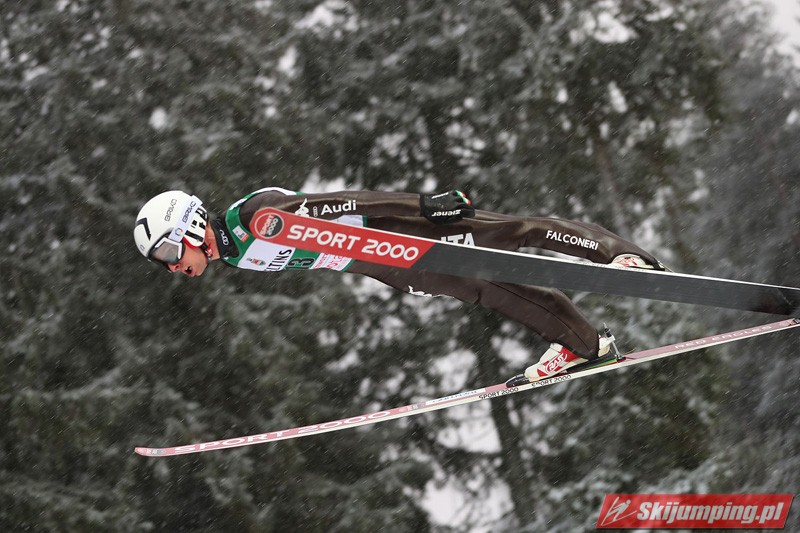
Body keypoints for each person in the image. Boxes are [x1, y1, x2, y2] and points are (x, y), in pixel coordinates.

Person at [133, 187, 666, 382]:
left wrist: (423, 207)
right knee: (490, 288)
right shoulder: (233, 253)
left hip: (394, 230)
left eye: (168, 252)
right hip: (382, 262)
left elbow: (347, 204)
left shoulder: (255, 218)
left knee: (510, 232)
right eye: (163, 263)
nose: (173, 266)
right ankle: (582, 344)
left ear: (189, 227)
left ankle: (622, 255)